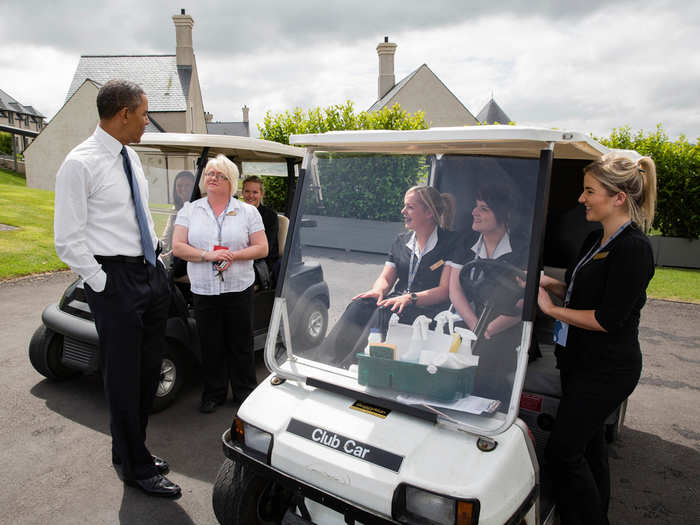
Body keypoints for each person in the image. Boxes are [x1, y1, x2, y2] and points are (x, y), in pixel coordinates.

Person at [53, 80, 180, 497]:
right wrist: (103, 285)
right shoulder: (80, 163)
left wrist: (157, 264)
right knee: (124, 377)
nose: (147, 122)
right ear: (123, 113)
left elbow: (137, 215)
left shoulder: (130, 157)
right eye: (144, 114)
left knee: (145, 373)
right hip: (115, 281)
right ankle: (137, 467)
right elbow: (68, 239)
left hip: (147, 274)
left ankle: (130, 450)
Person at [537, 152, 657, 525]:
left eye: (589, 191)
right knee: (589, 449)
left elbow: (607, 318)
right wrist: (545, 282)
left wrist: (551, 310)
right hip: (578, 361)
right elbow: (580, 290)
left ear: (619, 197)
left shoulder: (633, 249)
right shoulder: (596, 238)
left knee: (563, 453)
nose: (580, 199)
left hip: (607, 370)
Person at [172, 154, 268, 413]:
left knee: (241, 344)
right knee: (210, 344)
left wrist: (233, 255)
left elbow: (262, 248)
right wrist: (207, 255)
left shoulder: (247, 212)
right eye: (209, 174)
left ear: (231, 181)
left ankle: (244, 392)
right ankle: (213, 393)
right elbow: (178, 247)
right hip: (204, 290)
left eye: (219, 175)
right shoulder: (190, 210)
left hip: (239, 288)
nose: (212, 178)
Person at [325, 185, 456, 366]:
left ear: (429, 213)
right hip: (399, 301)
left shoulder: (451, 243)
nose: (403, 211)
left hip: (427, 307)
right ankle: (326, 362)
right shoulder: (400, 241)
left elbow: (444, 291)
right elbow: (386, 278)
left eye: (410, 207)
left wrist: (410, 298)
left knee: (386, 310)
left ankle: (353, 366)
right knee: (361, 304)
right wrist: (377, 290)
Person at [447, 179, 527, 406]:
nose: (474, 213)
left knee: (489, 358)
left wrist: (490, 329)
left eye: (484, 208)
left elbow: (526, 299)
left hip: (507, 324)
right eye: (476, 206)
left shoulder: (523, 247)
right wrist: (475, 325)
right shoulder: (466, 241)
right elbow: (455, 290)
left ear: (503, 214)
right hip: (472, 321)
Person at [241, 175, 280, 285]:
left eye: (255, 192)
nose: (250, 196)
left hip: (261, 262)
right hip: (239, 258)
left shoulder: (270, 216)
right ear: (242, 193)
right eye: (247, 191)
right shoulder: (236, 213)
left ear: (261, 194)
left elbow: (265, 248)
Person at [160, 170, 195, 272]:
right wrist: (158, 248)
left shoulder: (198, 208)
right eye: (179, 185)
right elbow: (167, 235)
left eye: (187, 185)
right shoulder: (175, 209)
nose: (183, 188)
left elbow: (190, 241)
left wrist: (167, 256)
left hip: (190, 258)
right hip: (175, 255)